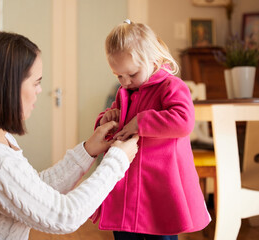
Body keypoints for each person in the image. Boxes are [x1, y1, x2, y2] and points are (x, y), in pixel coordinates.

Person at [0, 31, 139, 239]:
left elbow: (33, 191)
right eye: (36, 82)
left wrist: (87, 151)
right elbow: (65, 216)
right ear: (8, 87)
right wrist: (116, 161)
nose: (40, 90)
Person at [90, 20, 211, 240]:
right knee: (124, 232)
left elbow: (184, 121)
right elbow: (112, 128)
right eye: (118, 76)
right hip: (126, 187)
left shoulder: (171, 86)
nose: (125, 82)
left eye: (132, 74)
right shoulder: (124, 93)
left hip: (159, 186)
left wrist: (140, 122)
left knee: (161, 234)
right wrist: (106, 119)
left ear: (153, 60)